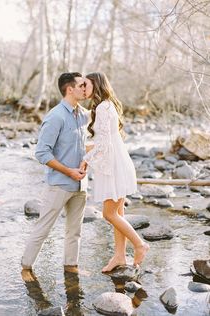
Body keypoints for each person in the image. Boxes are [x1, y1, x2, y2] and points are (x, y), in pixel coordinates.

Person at [21, 72, 88, 282]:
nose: (86, 88)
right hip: (59, 184)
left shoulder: (84, 115)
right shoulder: (55, 116)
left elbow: (86, 145)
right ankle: (26, 268)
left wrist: (87, 161)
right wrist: (68, 171)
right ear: (70, 89)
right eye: (82, 85)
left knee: (74, 231)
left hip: (80, 185)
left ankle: (71, 267)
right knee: (43, 227)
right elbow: (41, 153)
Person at [80, 72, 149, 272]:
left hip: (113, 166)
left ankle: (139, 245)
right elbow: (106, 141)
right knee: (118, 212)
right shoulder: (107, 105)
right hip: (117, 162)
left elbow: (104, 144)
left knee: (109, 214)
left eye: (86, 84)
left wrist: (85, 160)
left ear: (96, 84)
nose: (84, 88)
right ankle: (119, 255)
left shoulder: (102, 107)